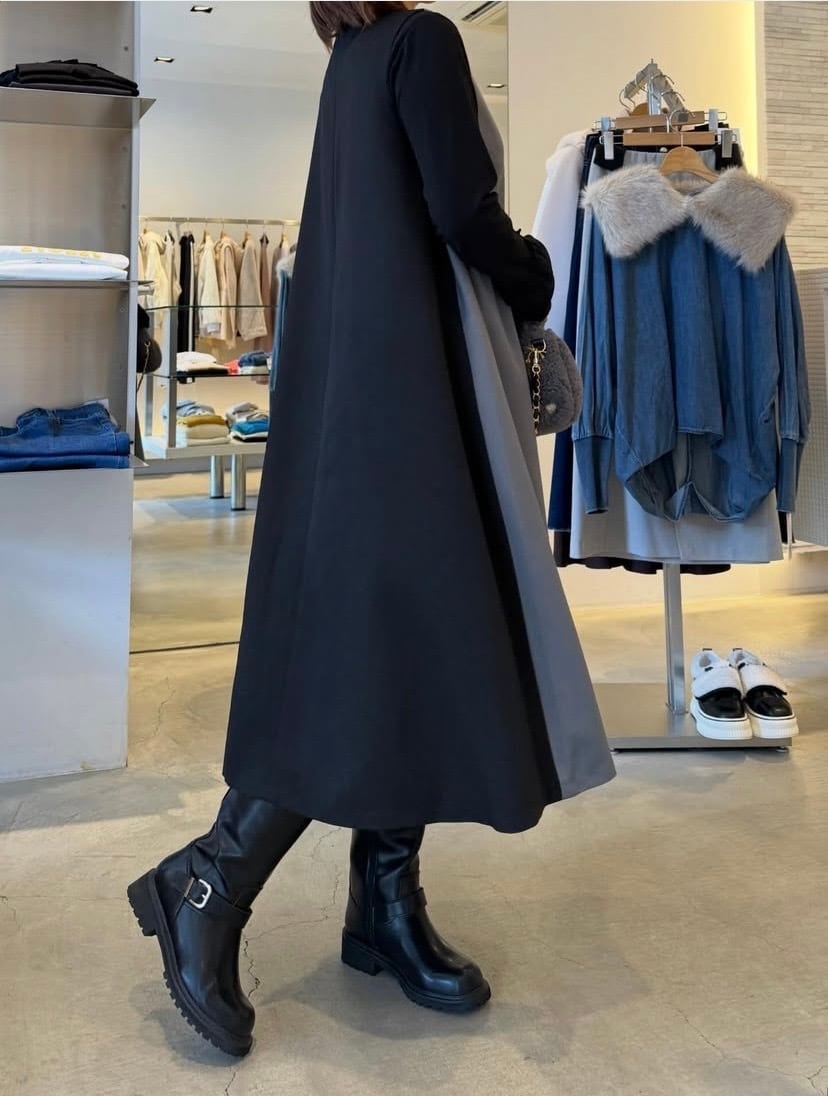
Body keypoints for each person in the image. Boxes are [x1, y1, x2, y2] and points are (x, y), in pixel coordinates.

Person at [128, 1, 613, 1058]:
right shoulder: (421, 41)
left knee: (395, 652)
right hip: (416, 400)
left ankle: (383, 906)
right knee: (363, 657)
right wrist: (537, 272)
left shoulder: (353, 59)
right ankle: (208, 881)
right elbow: (462, 213)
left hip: (372, 392)